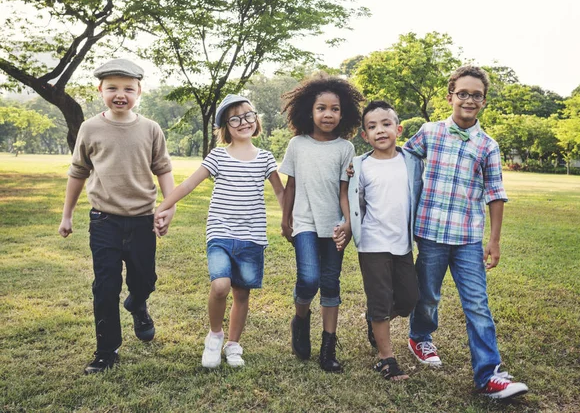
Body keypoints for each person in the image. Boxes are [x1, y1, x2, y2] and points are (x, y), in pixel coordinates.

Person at [404, 65, 528, 399]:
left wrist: (494, 239)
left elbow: (495, 193)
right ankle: (419, 336)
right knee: (428, 295)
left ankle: (489, 374)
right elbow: (400, 161)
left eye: (476, 95)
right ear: (450, 96)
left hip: (468, 239)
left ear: (484, 101)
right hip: (429, 233)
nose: (469, 100)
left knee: (477, 305)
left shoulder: (488, 145)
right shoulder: (429, 133)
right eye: (463, 93)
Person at [58, 58, 176, 374]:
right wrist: (67, 215)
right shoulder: (90, 128)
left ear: (139, 91)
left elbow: (163, 169)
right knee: (105, 286)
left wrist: (169, 206)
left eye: (127, 88)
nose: (119, 94)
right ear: (100, 90)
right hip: (104, 220)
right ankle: (106, 351)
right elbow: (77, 172)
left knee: (145, 279)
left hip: (141, 220)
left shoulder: (151, 129)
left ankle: (138, 303)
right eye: (112, 88)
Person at [153, 94, 284, 369]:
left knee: (242, 293)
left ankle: (234, 344)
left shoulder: (266, 158)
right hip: (220, 233)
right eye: (234, 118)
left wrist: (289, 220)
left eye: (248, 115)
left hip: (252, 236)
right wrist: (163, 206)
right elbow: (188, 184)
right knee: (220, 286)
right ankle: (215, 336)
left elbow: (281, 192)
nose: (243, 122)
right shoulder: (218, 156)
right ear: (226, 126)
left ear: (256, 119)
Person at [279, 73, 363, 372]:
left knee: (330, 284)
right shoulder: (297, 145)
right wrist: (285, 218)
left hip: (334, 227)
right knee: (309, 279)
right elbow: (290, 186)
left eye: (335, 109)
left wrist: (347, 224)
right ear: (309, 111)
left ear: (344, 114)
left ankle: (328, 348)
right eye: (321, 108)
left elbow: (344, 192)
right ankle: (300, 320)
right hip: (304, 223)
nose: (328, 114)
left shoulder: (345, 149)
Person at [348, 101, 423, 381]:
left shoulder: (411, 162)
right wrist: (346, 226)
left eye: (386, 124)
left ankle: (374, 320)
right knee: (380, 301)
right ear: (364, 135)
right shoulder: (360, 166)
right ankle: (386, 358)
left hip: (402, 244)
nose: (380, 130)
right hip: (372, 244)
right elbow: (354, 203)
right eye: (372, 127)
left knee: (408, 299)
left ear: (398, 129)